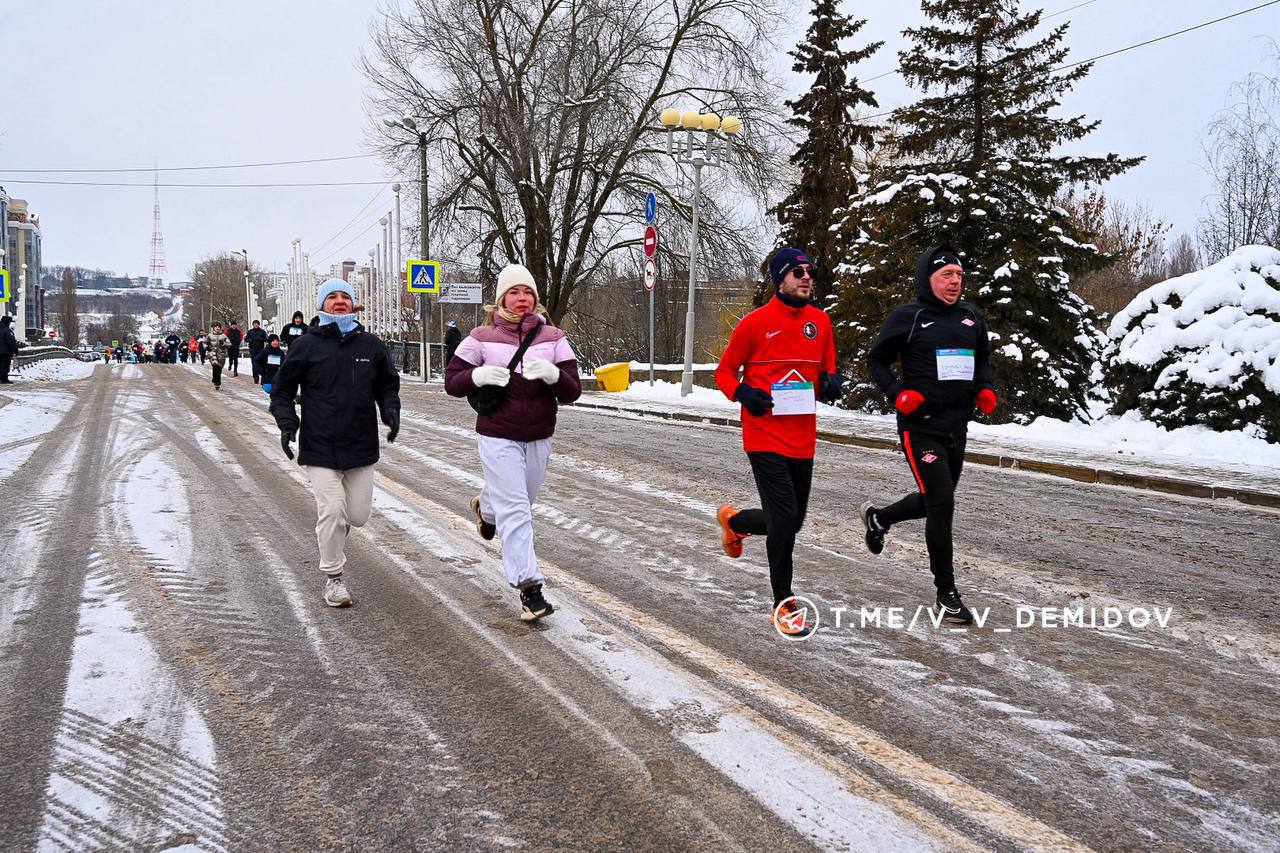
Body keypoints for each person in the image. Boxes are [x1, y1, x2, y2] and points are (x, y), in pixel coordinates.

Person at [860, 246, 996, 625]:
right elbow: (876, 360)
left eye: (958, 275)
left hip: (957, 426)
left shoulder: (971, 317)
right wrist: (896, 393)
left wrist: (984, 388)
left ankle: (879, 519)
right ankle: (946, 594)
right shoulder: (909, 316)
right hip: (920, 427)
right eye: (946, 275)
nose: (954, 281)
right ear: (928, 279)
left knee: (937, 498)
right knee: (941, 503)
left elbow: (982, 358)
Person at [713, 248, 839, 638]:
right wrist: (742, 394)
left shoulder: (820, 322)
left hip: (803, 438)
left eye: (810, 271)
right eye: (798, 272)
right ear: (780, 279)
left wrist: (832, 384)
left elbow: (828, 372)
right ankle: (784, 603)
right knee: (785, 518)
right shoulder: (755, 324)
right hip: (764, 434)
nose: (806, 277)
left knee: (792, 521)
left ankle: (735, 522)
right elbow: (723, 372)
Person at [444, 264, 581, 622]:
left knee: (520, 499)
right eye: (514, 292)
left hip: (539, 434)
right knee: (518, 511)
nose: (522, 299)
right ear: (502, 298)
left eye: (528, 293)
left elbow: (573, 390)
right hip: (497, 434)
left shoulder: (553, 337)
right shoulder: (481, 336)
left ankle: (485, 507)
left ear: (535, 299)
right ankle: (529, 590)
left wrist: (554, 376)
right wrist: (476, 374)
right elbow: (452, 381)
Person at [269, 279, 400, 608]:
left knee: (356, 516)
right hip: (320, 445)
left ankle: (337, 534)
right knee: (330, 511)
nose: (339, 302)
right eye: (332, 297)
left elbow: (388, 385)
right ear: (321, 304)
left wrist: (390, 409)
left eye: (345, 297)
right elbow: (282, 391)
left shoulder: (371, 345)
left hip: (360, 446)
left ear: (353, 304)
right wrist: (287, 425)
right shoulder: (306, 346)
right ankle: (334, 578)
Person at [206, 322, 229, 390]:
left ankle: (215, 379)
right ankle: (217, 382)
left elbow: (229, 344)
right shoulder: (209, 336)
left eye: (218, 327)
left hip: (221, 355)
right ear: (214, 328)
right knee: (215, 366)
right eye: (216, 327)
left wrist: (223, 343)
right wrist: (207, 347)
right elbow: (204, 343)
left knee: (219, 369)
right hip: (213, 354)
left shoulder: (224, 336)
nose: (217, 328)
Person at [245, 320, 269, 384]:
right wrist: (250, 340)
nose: (256, 325)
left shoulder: (262, 331)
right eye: (255, 324)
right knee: (254, 363)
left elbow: (267, 339)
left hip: (261, 350)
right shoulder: (250, 332)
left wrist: (260, 338)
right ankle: (256, 376)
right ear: (253, 325)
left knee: (261, 363)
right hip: (252, 350)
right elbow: (246, 339)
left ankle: (261, 374)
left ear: (259, 325)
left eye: (257, 324)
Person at [0, 315, 19, 383]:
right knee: (5, 365)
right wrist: (15, 350)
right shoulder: (7, 331)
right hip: (6, 352)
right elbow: (11, 341)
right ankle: (4, 379)